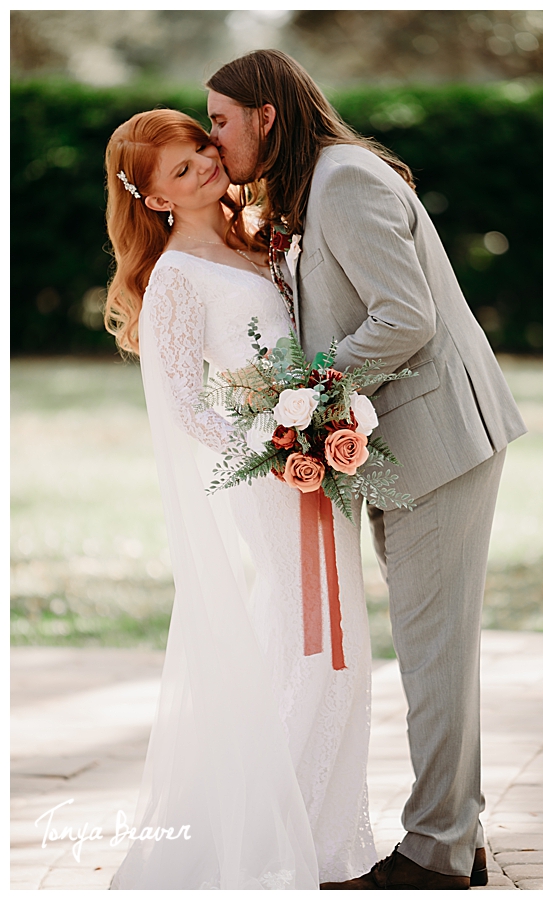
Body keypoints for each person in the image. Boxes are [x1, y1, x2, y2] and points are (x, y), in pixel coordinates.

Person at [204, 49, 526, 889]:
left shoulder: (344, 181)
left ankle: (437, 855)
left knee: (432, 655)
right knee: (437, 650)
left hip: (438, 445)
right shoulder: (323, 185)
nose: (214, 139)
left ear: (266, 116)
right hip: (413, 448)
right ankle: (460, 834)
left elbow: (405, 317)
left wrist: (309, 398)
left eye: (220, 120)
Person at [103, 109, 377, 888]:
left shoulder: (263, 236)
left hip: (321, 461)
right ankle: (261, 837)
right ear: (155, 200)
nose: (203, 168)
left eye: (200, 151)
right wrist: (272, 445)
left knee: (337, 646)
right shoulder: (178, 279)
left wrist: (321, 427)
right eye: (181, 173)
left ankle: (321, 837)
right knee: (316, 645)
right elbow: (185, 404)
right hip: (270, 474)